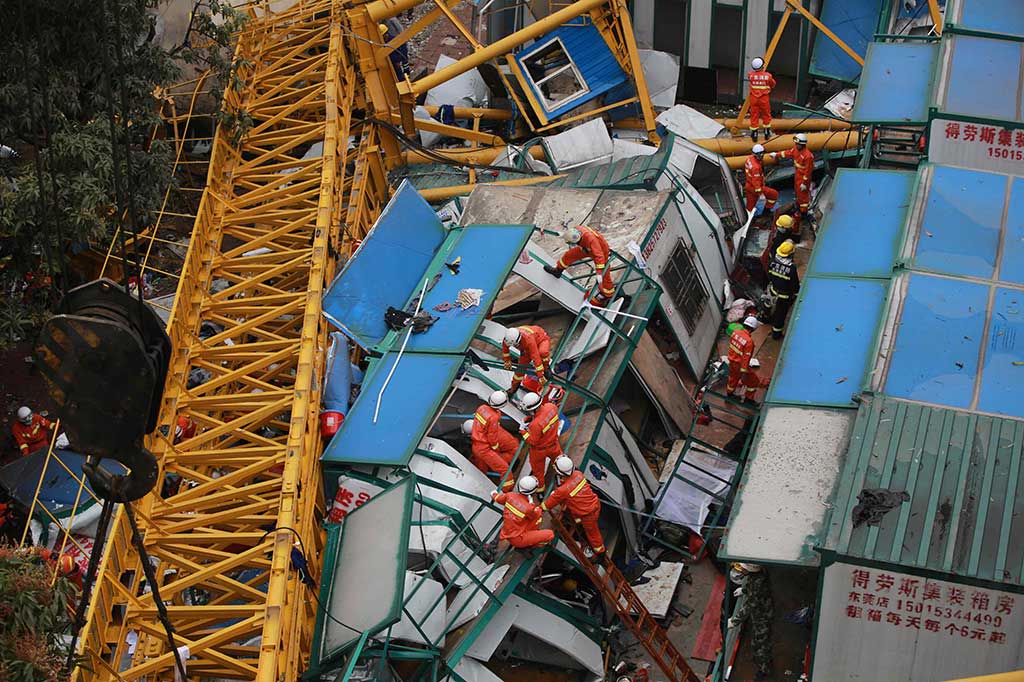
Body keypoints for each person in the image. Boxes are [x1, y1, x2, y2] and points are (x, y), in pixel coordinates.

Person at [541, 456, 605, 562]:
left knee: (593, 534)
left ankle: (600, 552)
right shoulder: (578, 474)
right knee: (575, 508)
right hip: (594, 505)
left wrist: (540, 508)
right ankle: (579, 523)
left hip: (587, 515)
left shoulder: (562, 491)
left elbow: (549, 503)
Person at [543, 226, 615, 306]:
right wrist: (564, 235)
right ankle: (558, 271)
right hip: (586, 247)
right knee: (569, 255)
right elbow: (571, 235)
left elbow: (599, 256)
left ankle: (608, 294)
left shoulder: (591, 239)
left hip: (601, 251)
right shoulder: (576, 231)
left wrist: (599, 272)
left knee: (604, 274)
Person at [727, 562, 774, 680]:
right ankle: (761, 660)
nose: (741, 570)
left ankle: (765, 668)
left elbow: (750, 605)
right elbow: (752, 587)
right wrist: (744, 590)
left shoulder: (758, 581)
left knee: (760, 643)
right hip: (760, 611)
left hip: (762, 616)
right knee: (757, 641)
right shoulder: (757, 574)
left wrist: (735, 621)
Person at [465, 390, 519, 490]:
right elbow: (492, 436)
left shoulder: (481, 408)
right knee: (505, 469)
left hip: (476, 446)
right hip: (485, 449)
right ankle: (506, 491)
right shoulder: (494, 417)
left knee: (481, 471)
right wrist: (495, 448)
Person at [492, 475, 554, 549]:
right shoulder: (529, 508)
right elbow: (536, 515)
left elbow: (498, 498)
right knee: (550, 534)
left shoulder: (509, 496)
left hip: (508, 532)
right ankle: (531, 546)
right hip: (518, 539)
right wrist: (532, 505)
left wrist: (494, 494)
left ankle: (530, 540)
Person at [776, 133, 814, 234]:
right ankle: (799, 207)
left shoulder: (808, 156)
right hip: (797, 175)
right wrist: (777, 155)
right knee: (798, 193)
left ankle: (804, 212)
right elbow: (788, 153)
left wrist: (804, 183)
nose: (796, 145)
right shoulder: (796, 150)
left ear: (802, 144)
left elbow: (808, 171)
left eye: (798, 144)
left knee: (803, 197)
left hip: (803, 179)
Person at [519, 391, 562, 480]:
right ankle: (562, 477)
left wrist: (522, 430)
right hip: (554, 445)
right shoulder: (552, 407)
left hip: (539, 451)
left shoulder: (535, 424)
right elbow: (545, 419)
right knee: (560, 463)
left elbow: (532, 441)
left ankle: (541, 488)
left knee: (538, 473)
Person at [502, 325, 552, 393]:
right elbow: (505, 348)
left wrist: (540, 375)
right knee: (520, 369)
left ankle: (546, 368)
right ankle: (514, 388)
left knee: (543, 352)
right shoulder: (509, 338)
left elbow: (535, 357)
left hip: (541, 340)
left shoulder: (529, 339)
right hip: (526, 348)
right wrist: (507, 361)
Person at [767, 240, 800, 339]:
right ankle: (776, 334)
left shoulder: (772, 262)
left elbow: (769, 275)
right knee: (780, 315)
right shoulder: (791, 269)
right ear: (790, 254)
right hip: (784, 297)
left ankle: (766, 318)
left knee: (769, 305)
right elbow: (794, 285)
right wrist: (796, 294)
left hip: (773, 291)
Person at [726, 317, 759, 397]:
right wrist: (744, 372)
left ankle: (729, 393)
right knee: (754, 381)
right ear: (753, 329)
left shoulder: (735, 333)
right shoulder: (749, 342)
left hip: (731, 361)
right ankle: (749, 398)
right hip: (739, 365)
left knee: (733, 378)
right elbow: (746, 358)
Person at [744, 145, 777, 220]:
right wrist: (760, 194)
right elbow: (756, 182)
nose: (761, 156)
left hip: (749, 185)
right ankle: (766, 212)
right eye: (759, 154)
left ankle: (747, 218)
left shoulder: (749, 159)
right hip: (755, 188)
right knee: (774, 194)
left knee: (750, 206)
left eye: (762, 154)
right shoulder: (756, 167)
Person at [747, 58, 776, 142]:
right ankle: (766, 132)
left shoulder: (750, 75)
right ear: (762, 66)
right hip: (764, 99)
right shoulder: (768, 76)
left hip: (754, 99)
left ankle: (754, 134)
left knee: (754, 115)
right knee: (766, 114)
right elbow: (773, 84)